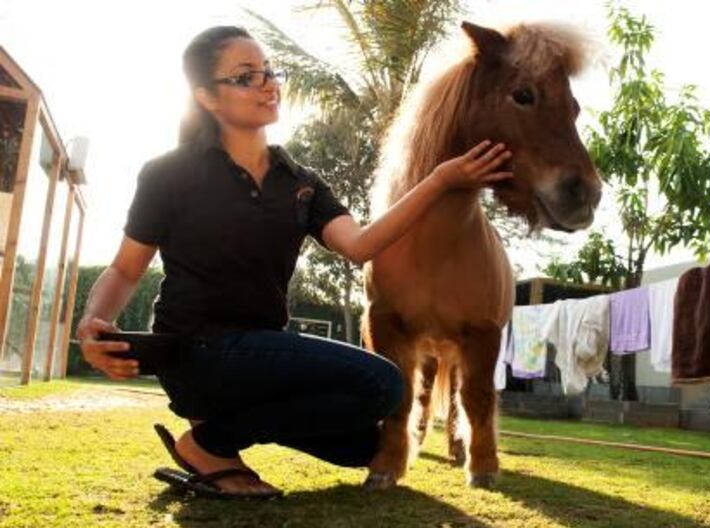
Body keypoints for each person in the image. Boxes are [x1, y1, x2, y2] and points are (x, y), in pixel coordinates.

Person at [76, 25, 512, 498]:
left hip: (263, 353)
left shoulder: (300, 182)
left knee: (362, 443)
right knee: (383, 382)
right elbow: (125, 269)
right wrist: (93, 322)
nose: (266, 83)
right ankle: (209, 444)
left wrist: (441, 178)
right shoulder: (170, 172)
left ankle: (224, 431)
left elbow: (362, 245)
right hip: (194, 352)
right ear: (206, 98)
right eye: (245, 77)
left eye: (268, 71)